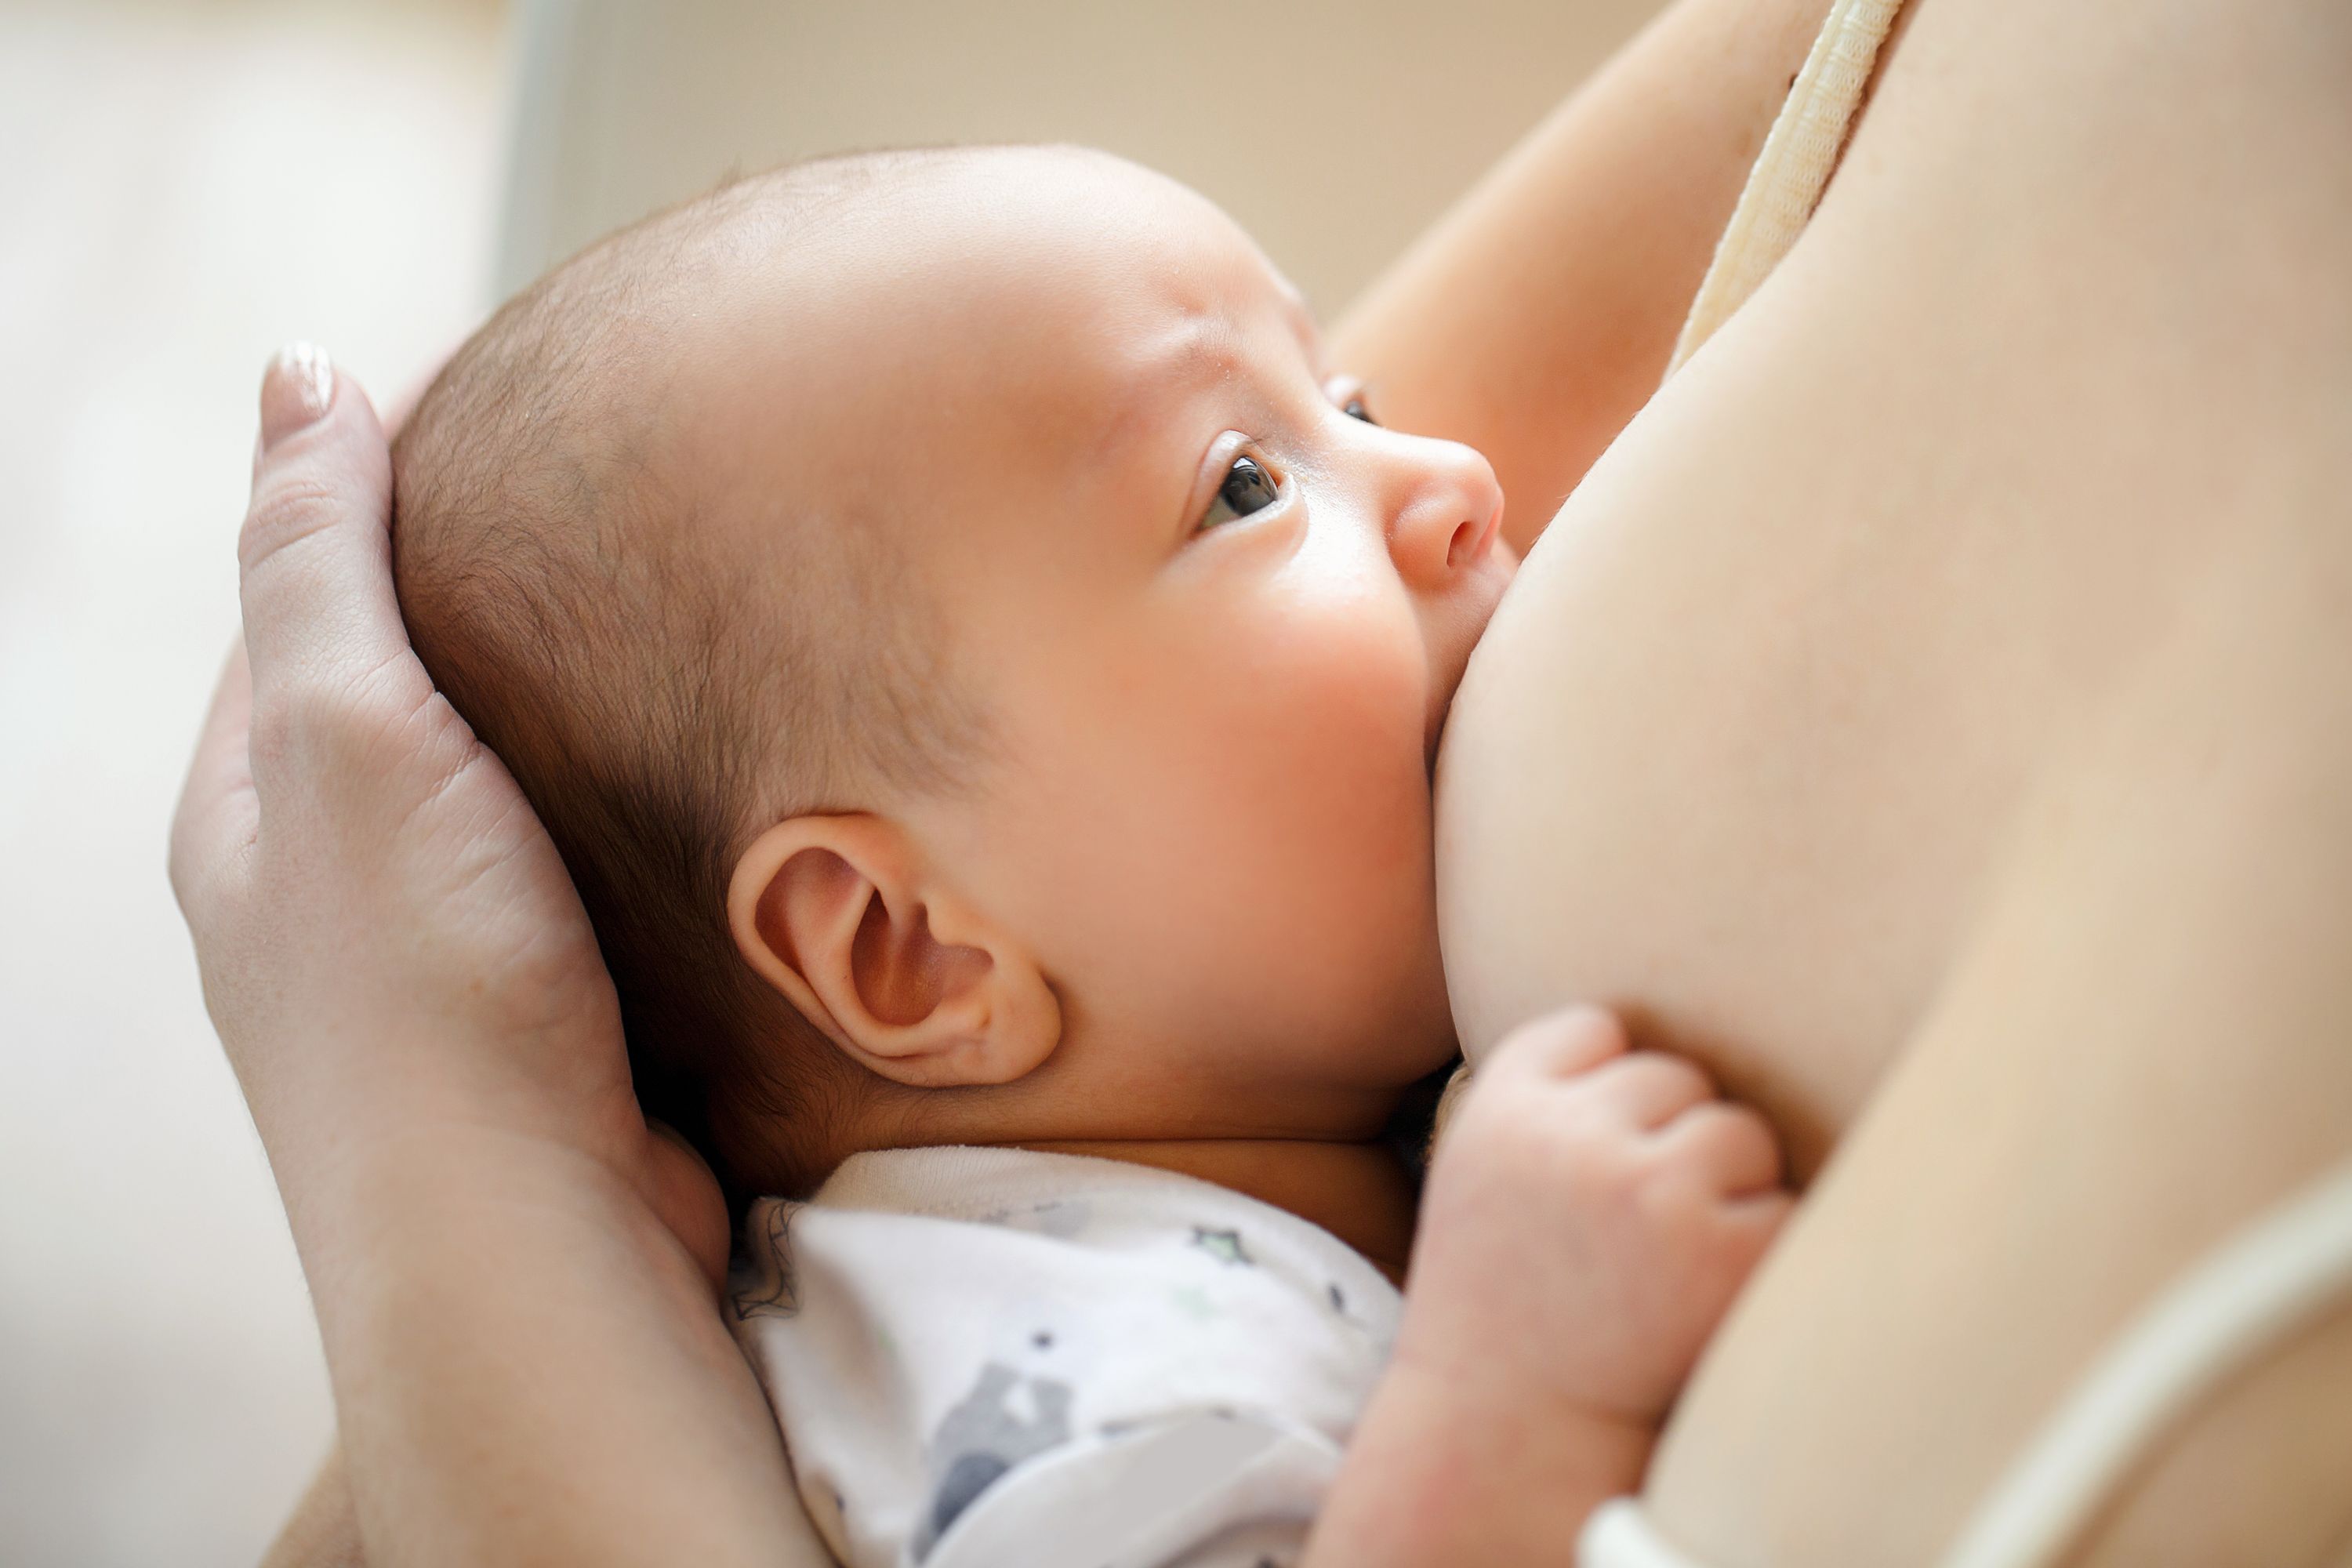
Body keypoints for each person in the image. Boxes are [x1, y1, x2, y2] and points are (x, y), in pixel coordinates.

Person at [176, 0, 2352, 1562]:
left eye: (1355, 391)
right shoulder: (1057, 1377)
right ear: (909, 945)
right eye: (1247, 483)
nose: (1456, 482)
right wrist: (1498, 1412)